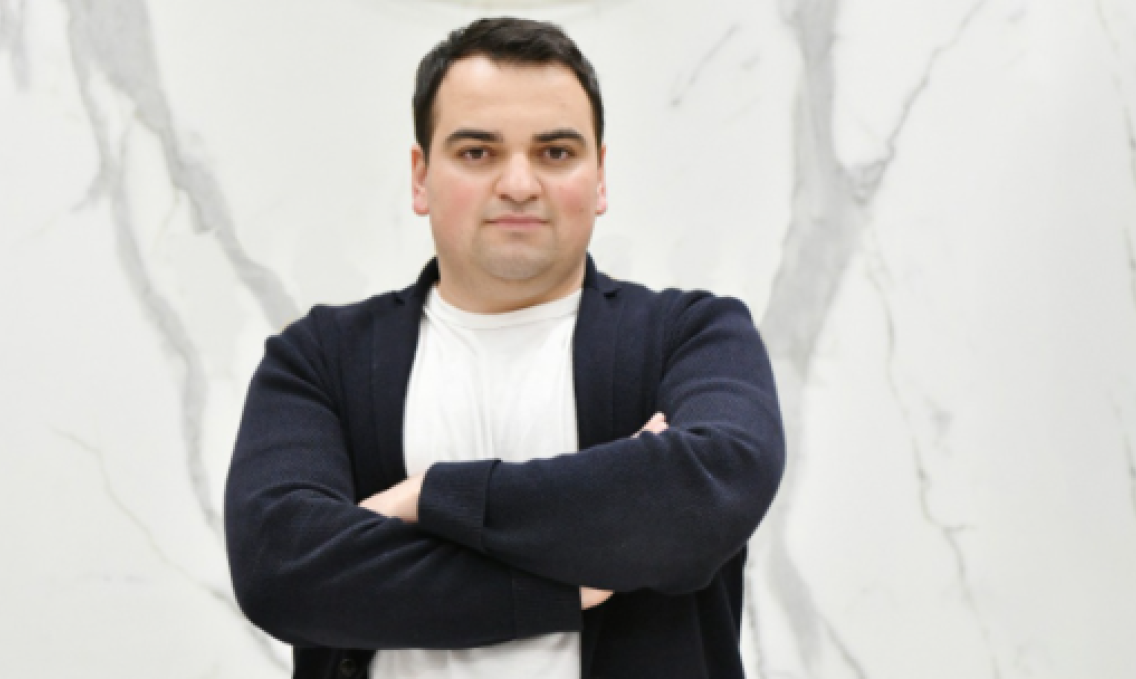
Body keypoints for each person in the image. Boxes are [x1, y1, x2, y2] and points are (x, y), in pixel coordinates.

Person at [224, 17, 786, 679]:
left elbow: (705, 495)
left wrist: (428, 496)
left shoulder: (691, 335)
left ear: (600, 176)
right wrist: (560, 588)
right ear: (420, 177)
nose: (519, 184)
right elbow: (281, 567)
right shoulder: (319, 359)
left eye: (555, 153)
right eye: (477, 152)